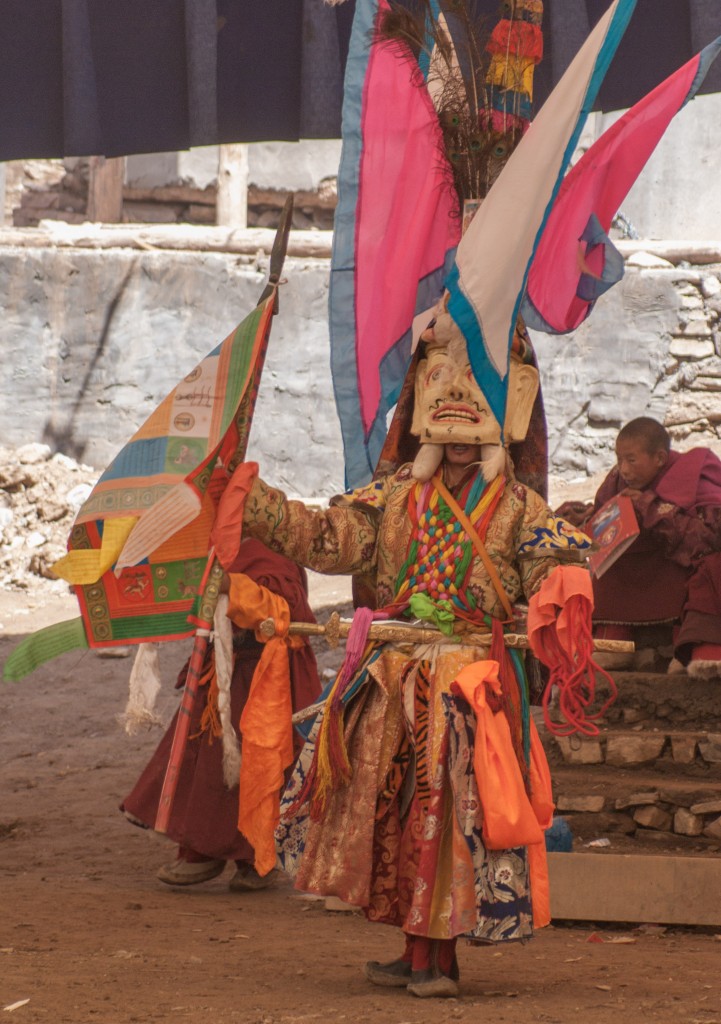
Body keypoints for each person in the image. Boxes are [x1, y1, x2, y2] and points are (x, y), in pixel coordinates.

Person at [231, 307, 593, 998]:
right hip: (392, 680)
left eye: (470, 433)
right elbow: (325, 537)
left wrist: (560, 586)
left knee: (448, 821)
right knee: (396, 820)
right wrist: (249, 500)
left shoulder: (520, 510)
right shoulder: (393, 498)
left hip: (467, 691)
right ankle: (412, 950)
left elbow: (555, 569)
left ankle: (440, 961)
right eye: (445, 430)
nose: (457, 446)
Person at [121, 539, 320, 890]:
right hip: (220, 668)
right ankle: (201, 851)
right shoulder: (212, 544)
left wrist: (232, 586)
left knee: (260, 765)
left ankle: (255, 859)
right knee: (205, 764)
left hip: (266, 674)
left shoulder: (271, 552)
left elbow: (285, 612)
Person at [558, 417, 721, 674]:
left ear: (659, 458)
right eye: (619, 459)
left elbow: (707, 537)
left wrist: (649, 506)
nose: (623, 468)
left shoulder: (691, 473)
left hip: (676, 562)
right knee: (606, 560)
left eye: (631, 460)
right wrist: (586, 517)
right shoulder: (618, 480)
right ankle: (614, 638)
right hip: (632, 560)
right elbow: (604, 512)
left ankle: (686, 646)